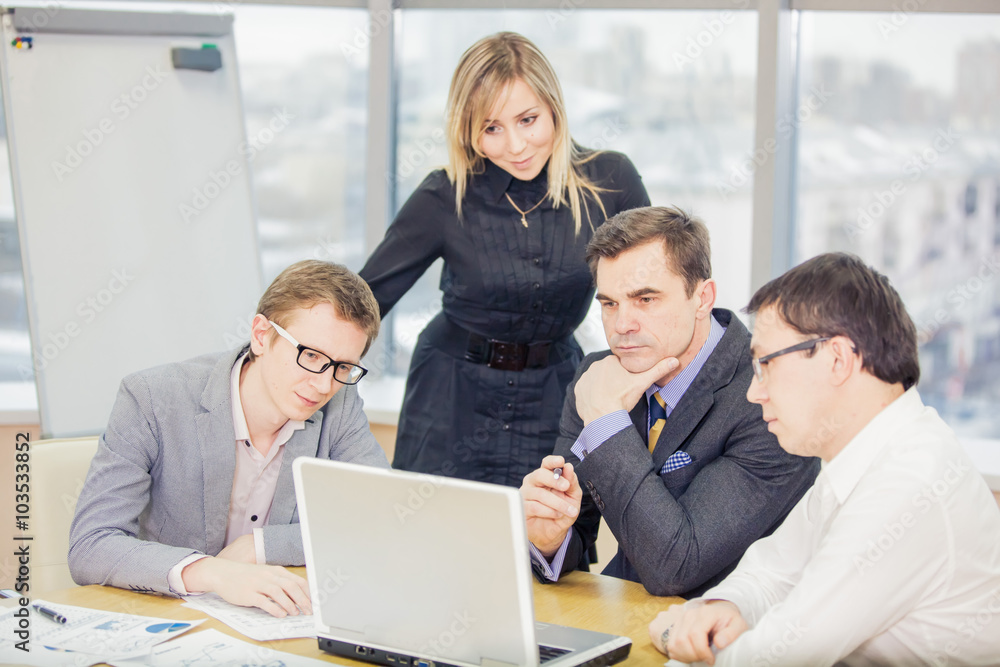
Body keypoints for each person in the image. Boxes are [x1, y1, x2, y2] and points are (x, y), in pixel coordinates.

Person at [651, 253, 1000, 666]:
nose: (753, 392)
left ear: (837, 359)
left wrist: (675, 634)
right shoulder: (863, 456)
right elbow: (772, 571)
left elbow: (779, 655)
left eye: (765, 365)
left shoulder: (910, 482)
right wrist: (721, 608)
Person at [359, 32, 650, 487]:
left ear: (554, 106)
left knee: (546, 545)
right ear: (469, 131)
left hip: (556, 398)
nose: (515, 145)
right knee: (434, 538)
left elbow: (655, 291)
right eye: (491, 128)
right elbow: (364, 300)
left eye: (528, 119)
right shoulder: (444, 193)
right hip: (449, 396)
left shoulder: (611, 180)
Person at [519, 206, 818, 598]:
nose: (622, 325)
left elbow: (676, 567)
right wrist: (548, 538)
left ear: (702, 298)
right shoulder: (600, 376)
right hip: (628, 617)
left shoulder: (769, 397)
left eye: (645, 299)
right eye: (609, 303)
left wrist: (607, 420)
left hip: (735, 636)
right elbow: (575, 531)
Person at [69, 260, 390, 617]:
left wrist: (261, 546)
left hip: (269, 625)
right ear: (260, 335)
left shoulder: (340, 405)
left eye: (343, 367)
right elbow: (91, 546)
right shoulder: (151, 398)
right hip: (166, 617)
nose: (324, 385)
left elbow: (380, 518)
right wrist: (212, 572)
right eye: (311, 355)